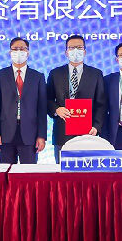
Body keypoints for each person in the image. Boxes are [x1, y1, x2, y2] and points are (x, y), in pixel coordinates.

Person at [46, 34, 107, 162]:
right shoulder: (55, 73)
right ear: (66, 52)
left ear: (84, 51)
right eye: (71, 48)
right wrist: (56, 109)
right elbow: (47, 99)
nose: (75, 51)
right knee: (62, 171)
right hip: (62, 132)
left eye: (79, 47)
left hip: (88, 133)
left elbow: (101, 104)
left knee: (88, 171)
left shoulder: (96, 74)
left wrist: (96, 126)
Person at [0, 37, 47, 164]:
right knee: (6, 172)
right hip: (5, 133)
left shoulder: (38, 76)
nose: (19, 52)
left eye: (22, 49)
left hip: (30, 135)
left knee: (28, 173)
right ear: (10, 52)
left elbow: (42, 109)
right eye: (15, 49)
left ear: (28, 52)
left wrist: (42, 136)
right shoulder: (0, 75)